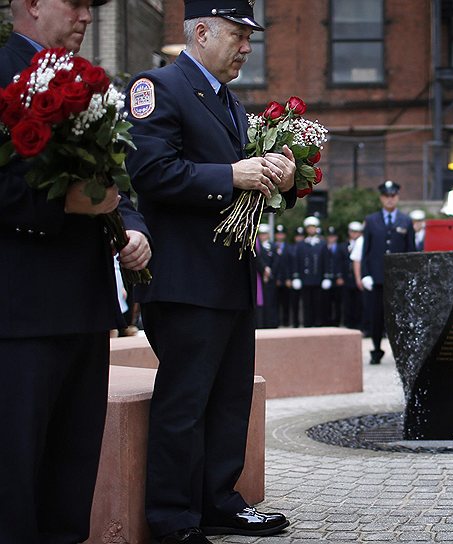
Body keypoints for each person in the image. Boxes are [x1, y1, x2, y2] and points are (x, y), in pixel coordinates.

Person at [124, 1, 296, 542]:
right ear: (201, 32)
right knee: (186, 401)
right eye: (237, 34)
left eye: (250, 35)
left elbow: (243, 181)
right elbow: (150, 172)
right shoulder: (157, 87)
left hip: (228, 275)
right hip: (184, 277)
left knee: (228, 397)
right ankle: (173, 517)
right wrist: (232, 173)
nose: (247, 46)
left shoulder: (230, 103)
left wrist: (281, 176)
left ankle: (218, 499)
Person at [0, 1, 151, 542]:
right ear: (32, 5)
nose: (87, 15)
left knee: (71, 474)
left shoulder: (89, 84)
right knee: (16, 480)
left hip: (85, 310)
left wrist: (131, 226)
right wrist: (62, 205)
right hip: (22, 313)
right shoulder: (2, 70)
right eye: (77, 2)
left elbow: (117, 177)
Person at [360, 180, 416, 365]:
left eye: (393, 196)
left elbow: (411, 251)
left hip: (398, 278)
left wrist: (410, 276)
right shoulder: (371, 220)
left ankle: (402, 351)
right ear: (381, 198)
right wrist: (365, 274)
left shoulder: (406, 221)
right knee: (376, 316)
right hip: (376, 276)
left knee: (400, 316)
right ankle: (376, 349)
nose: (390, 199)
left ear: (397, 197)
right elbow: (366, 251)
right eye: (386, 196)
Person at [293, 217, 325, 327]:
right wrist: (296, 276)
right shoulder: (301, 244)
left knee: (318, 303)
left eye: (313, 227)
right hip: (305, 279)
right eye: (309, 227)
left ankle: (318, 324)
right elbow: (297, 261)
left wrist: (327, 277)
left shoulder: (322, 244)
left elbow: (325, 261)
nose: (311, 230)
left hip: (318, 279)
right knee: (306, 304)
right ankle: (307, 324)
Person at [255, 224, 279, 329]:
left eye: (265, 234)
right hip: (260, 277)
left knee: (271, 302)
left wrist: (270, 273)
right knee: (262, 303)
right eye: (261, 234)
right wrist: (263, 271)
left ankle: (271, 324)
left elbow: (276, 262)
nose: (263, 236)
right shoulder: (257, 245)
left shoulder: (273, 246)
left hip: (270, 279)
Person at [342, 221, 365, 330]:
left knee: (359, 303)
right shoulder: (344, 245)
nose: (354, 234)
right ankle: (349, 324)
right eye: (352, 231)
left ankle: (360, 324)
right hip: (347, 278)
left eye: (357, 232)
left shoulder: (363, 243)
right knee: (348, 303)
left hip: (360, 277)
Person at [273, 224, 293, 327]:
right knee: (275, 302)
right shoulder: (272, 247)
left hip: (286, 280)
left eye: (281, 234)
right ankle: (276, 322)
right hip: (275, 280)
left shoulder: (289, 248)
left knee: (286, 302)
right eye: (278, 234)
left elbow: (290, 264)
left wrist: (289, 278)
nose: (280, 236)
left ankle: (286, 322)